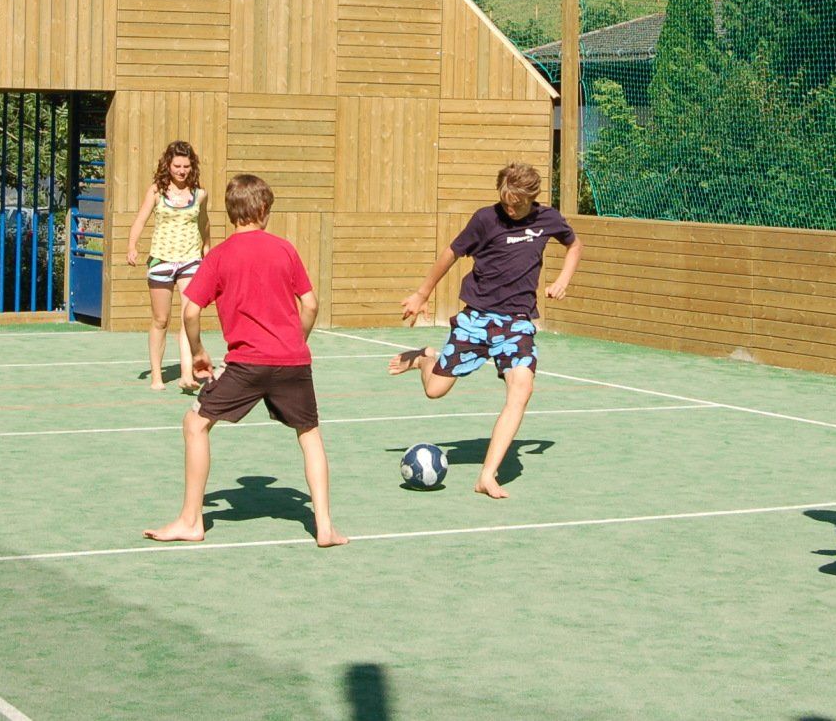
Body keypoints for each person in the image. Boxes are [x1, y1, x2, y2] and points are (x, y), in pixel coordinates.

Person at [144, 174, 347, 548]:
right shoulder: (285, 249)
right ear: (264, 209)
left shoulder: (219, 255)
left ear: (229, 211)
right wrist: (295, 343)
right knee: (309, 434)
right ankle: (325, 527)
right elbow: (311, 305)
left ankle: (191, 521)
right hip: (293, 362)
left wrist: (199, 352)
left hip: (247, 364)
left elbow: (190, 311)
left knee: (195, 424)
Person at [389, 162, 581, 499]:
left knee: (521, 390)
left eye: (516, 204)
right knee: (435, 390)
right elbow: (450, 253)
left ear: (531, 197)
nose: (509, 209)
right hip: (476, 319)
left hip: (517, 323)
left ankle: (487, 476)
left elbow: (574, 245)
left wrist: (563, 280)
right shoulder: (485, 219)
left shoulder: (548, 219)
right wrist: (422, 294)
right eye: (505, 201)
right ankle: (425, 358)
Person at [125, 140, 209, 393]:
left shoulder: (199, 194)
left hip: (190, 260)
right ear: (168, 166)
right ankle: (156, 375)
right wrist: (132, 245)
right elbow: (140, 220)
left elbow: (204, 223)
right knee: (161, 319)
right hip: (161, 259)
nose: (182, 171)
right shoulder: (156, 191)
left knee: (188, 317)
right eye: (177, 166)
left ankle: (186, 374)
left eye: (186, 166)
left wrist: (207, 250)